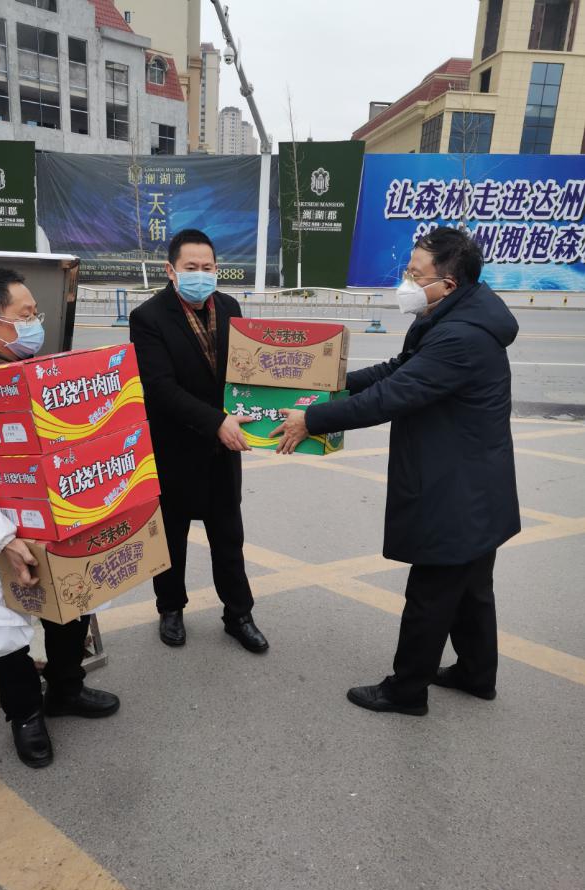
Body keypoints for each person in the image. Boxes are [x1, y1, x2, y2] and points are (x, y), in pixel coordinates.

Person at [272, 228, 520, 716]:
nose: (405, 281)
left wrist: (312, 419)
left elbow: (392, 396)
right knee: (471, 588)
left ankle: (405, 691)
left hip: (456, 491)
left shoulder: (460, 336)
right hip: (476, 485)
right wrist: (330, 383)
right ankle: (476, 674)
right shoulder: (454, 315)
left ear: (447, 284)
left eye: (414, 274)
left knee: (431, 592)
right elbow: (397, 369)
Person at [0, 267, 120, 768]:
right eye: (26, 315)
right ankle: (26, 714)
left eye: (37, 314)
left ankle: (67, 688)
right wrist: (1, 538)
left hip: (63, 521)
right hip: (3, 532)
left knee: (72, 603)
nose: (36, 324)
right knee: (4, 628)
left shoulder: (49, 374)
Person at [129, 228, 268, 653]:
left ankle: (239, 615)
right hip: (173, 449)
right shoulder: (148, 317)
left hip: (222, 450)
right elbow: (159, 387)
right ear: (171, 270)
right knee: (170, 539)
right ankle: (170, 608)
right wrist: (214, 421)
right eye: (191, 267)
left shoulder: (229, 307)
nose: (201, 274)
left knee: (228, 538)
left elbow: (246, 371)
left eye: (208, 267)